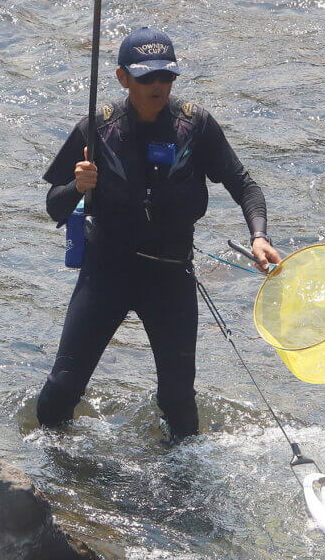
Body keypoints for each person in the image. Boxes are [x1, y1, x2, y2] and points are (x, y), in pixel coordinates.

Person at [37, 26, 281, 439]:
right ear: (122, 78)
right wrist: (78, 186)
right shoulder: (97, 129)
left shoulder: (196, 126)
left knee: (178, 403)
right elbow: (53, 205)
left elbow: (245, 185)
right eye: (147, 77)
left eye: (166, 76)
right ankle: (51, 484)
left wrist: (259, 235)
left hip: (170, 277)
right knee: (62, 389)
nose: (158, 86)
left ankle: (182, 490)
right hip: (106, 273)